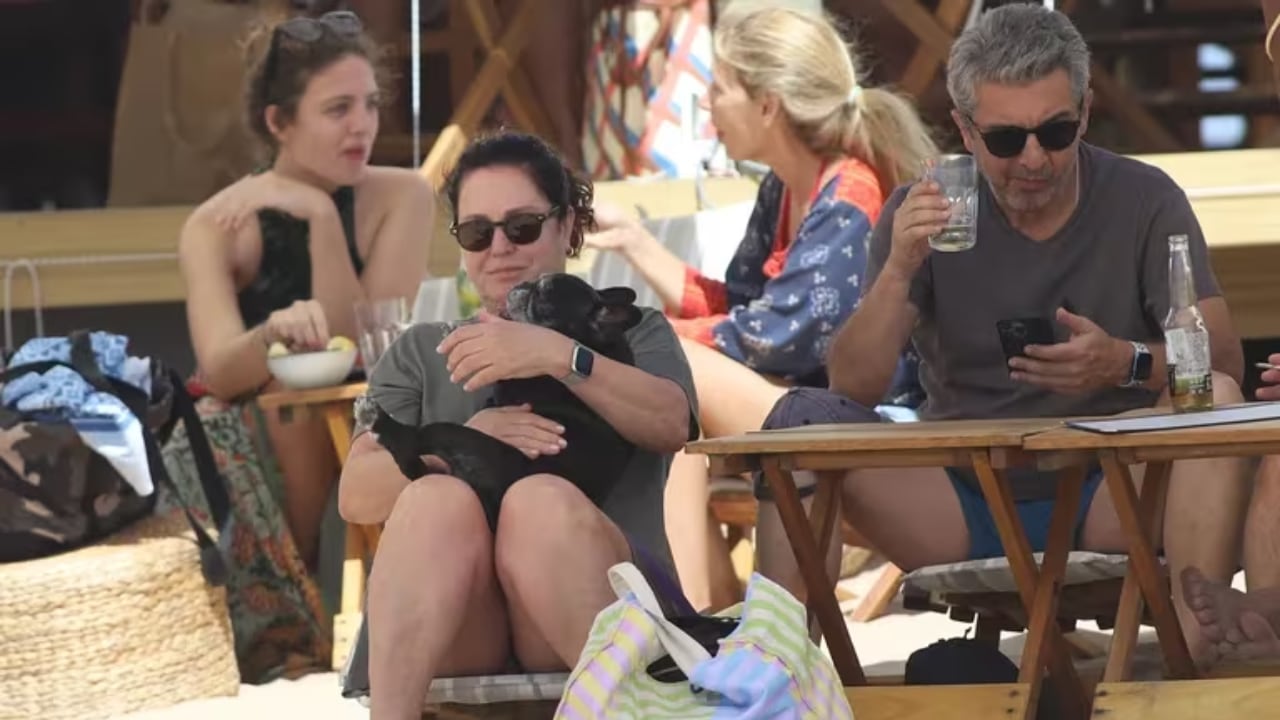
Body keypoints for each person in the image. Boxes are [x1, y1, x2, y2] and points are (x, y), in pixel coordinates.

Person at [753, 4, 1251, 669]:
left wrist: (1122, 363)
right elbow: (853, 387)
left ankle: (1189, 669)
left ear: (1085, 109)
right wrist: (900, 269)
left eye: (1057, 130)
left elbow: (1223, 361)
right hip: (967, 499)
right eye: (1007, 141)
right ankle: (777, 681)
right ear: (964, 129)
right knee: (798, 423)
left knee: (1212, 397)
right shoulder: (926, 211)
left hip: (1115, 491)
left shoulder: (1143, 198)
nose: (1036, 158)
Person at [584, 4, 938, 611]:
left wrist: (644, 335)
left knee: (672, 378)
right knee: (671, 387)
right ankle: (709, 602)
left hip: (870, 418)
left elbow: (777, 335)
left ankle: (690, 614)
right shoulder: (784, 186)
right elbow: (744, 308)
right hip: (800, 401)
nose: (707, 105)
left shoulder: (849, 196)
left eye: (719, 88)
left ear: (768, 105)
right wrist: (637, 243)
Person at [337, 130, 699, 720]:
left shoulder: (625, 332)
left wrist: (560, 356)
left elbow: (670, 422)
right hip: (463, 629)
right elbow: (356, 495)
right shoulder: (420, 351)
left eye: (523, 226)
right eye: (478, 232)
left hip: (594, 605)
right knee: (435, 501)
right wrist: (469, 441)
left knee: (537, 503)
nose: (499, 247)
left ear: (566, 228)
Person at [168, 10, 430, 679]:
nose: (362, 125)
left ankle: (315, 626)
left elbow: (370, 334)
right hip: (271, 434)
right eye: (337, 109)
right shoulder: (218, 224)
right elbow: (222, 369)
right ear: (279, 122)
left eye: (370, 105)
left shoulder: (404, 195)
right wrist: (272, 333)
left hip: (376, 415)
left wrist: (317, 217)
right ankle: (289, 629)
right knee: (260, 408)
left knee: (307, 402)